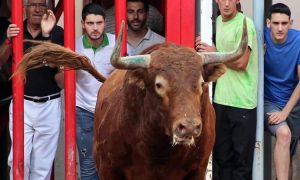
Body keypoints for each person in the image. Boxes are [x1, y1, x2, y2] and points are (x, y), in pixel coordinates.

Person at [195, 0, 258, 179]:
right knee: (222, 160)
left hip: (243, 103)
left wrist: (215, 52)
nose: (227, 3)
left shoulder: (245, 23)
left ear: (238, 0)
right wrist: (202, 45)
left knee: (241, 164)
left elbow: (241, 62)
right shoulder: (217, 23)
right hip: (220, 101)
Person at [6, 0, 64, 179]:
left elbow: (57, 66)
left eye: (42, 5)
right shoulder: (15, 29)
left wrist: (47, 35)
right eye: (33, 4)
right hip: (22, 103)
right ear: (25, 8)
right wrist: (9, 41)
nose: (38, 9)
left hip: (49, 103)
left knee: (42, 167)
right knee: (17, 160)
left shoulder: (58, 32)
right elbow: (1, 63)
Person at [75, 3, 115, 180]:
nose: (95, 28)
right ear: (83, 24)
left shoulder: (117, 43)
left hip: (111, 110)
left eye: (99, 23)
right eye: (90, 23)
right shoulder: (74, 46)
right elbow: (61, 82)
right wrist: (66, 68)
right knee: (89, 165)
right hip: (83, 111)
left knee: (113, 161)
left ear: (105, 23)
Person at [264, 3, 300, 179]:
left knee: (290, 152)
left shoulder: (299, 40)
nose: (280, 28)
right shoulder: (260, 37)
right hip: (269, 100)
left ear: (290, 23)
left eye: (284, 24)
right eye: (276, 23)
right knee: (284, 134)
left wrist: (285, 112)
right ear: (268, 23)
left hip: (294, 102)